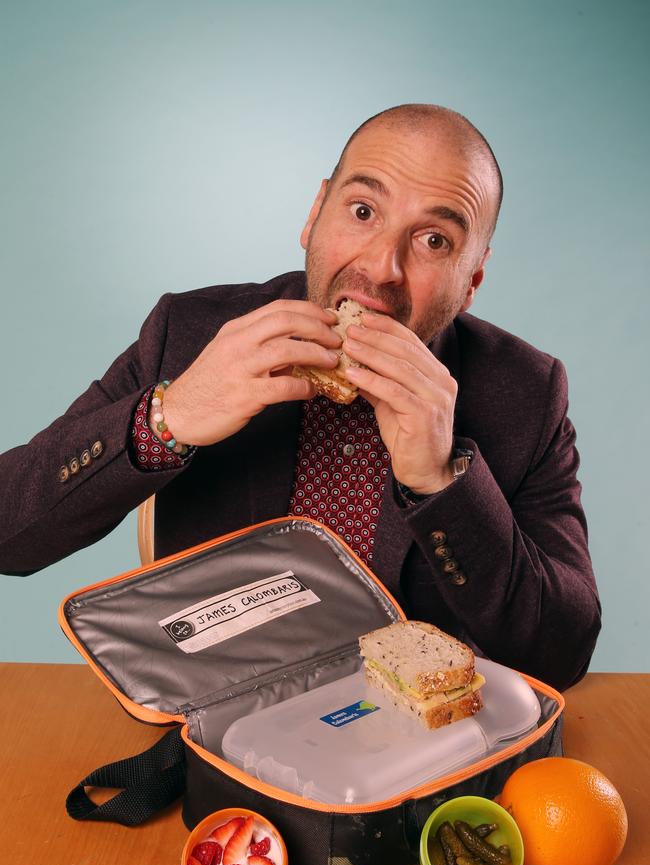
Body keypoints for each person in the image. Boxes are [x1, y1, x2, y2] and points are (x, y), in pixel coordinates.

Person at [0, 104, 600, 690]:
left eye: (435, 241)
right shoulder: (188, 333)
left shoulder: (526, 392)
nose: (382, 267)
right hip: (218, 735)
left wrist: (443, 483)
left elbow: (562, 654)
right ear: (315, 214)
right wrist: (170, 415)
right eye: (363, 210)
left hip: (416, 752)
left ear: (472, 279)